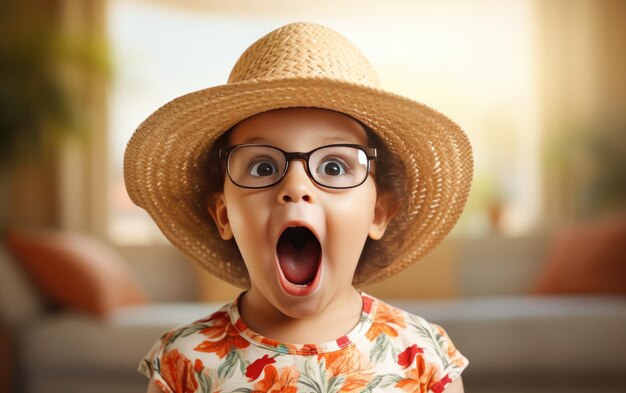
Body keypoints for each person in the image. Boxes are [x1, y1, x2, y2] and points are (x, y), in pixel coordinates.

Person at [124, 22, 473, 393]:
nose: (296, 187)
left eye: (334, 167)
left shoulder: (423, 356)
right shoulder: (185, 363)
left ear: (378, 212)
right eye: (263, 167)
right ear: (224, 214)